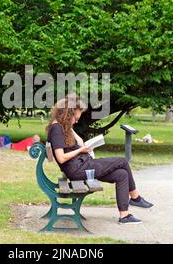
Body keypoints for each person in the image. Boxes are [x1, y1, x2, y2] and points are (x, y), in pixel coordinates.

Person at [46, 95, 154, 225]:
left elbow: (80, 143)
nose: (76, 121)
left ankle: (124, 216)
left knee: (122, 174)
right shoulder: (57, 129)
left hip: (82, 166)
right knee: (122, 162)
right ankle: (136, 198)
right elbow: (61, 158)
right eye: (75, 117)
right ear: (68, 114)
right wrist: (81, 150)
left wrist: (71, 128)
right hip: (78, 170)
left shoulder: (63, 127)